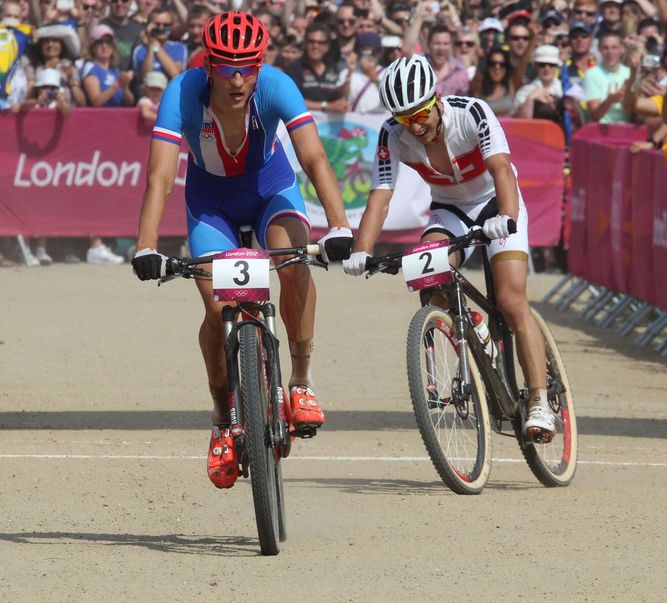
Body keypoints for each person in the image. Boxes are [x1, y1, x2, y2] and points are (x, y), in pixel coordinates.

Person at [131, 12, 353, 489]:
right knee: (217, 307)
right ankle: (219, 418)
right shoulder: (183, 93)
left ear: (260, 66)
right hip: (211, 203)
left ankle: (301, 381)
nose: (237, 78)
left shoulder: (276, 85)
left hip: (270, 189)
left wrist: (338, 225)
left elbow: (313, 157)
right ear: (207, 65)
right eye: (227, 67)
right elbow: (161, 177)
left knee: (292, 264)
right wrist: (145, 245)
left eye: (247, 67)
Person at [342, 54, 556, 443]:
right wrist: (362, 249)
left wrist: (505, 217)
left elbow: (503, 170)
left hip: (497, 202)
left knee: (510, 300)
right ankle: (471, 325)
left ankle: (540, 400)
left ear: (436, 99)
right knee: (427, 274)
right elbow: (380, 194)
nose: (415, 125)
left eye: (420, 113)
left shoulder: (473, 112)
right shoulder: (392, 133)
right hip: (449, 209)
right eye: (405, 118)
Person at [583, 30, 631, 123]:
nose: (610, 52)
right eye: (605, 48)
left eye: (614, 47)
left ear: (622, 49)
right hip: (601, 129)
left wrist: (626, 102)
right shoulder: (592, 74)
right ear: (599, 49)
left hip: (626, 128)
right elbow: (594, 116)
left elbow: (635, 117)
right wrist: (609, 101)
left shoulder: (629, 73)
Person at [82, 24, 134, 107]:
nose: (104, 46)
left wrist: (125, 86)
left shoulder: (115, 71)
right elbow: (96, 101)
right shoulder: (91, 68)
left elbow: (129, 102)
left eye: (109, 42)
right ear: (93, 46)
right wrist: (117, 85)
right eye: (100, 42)